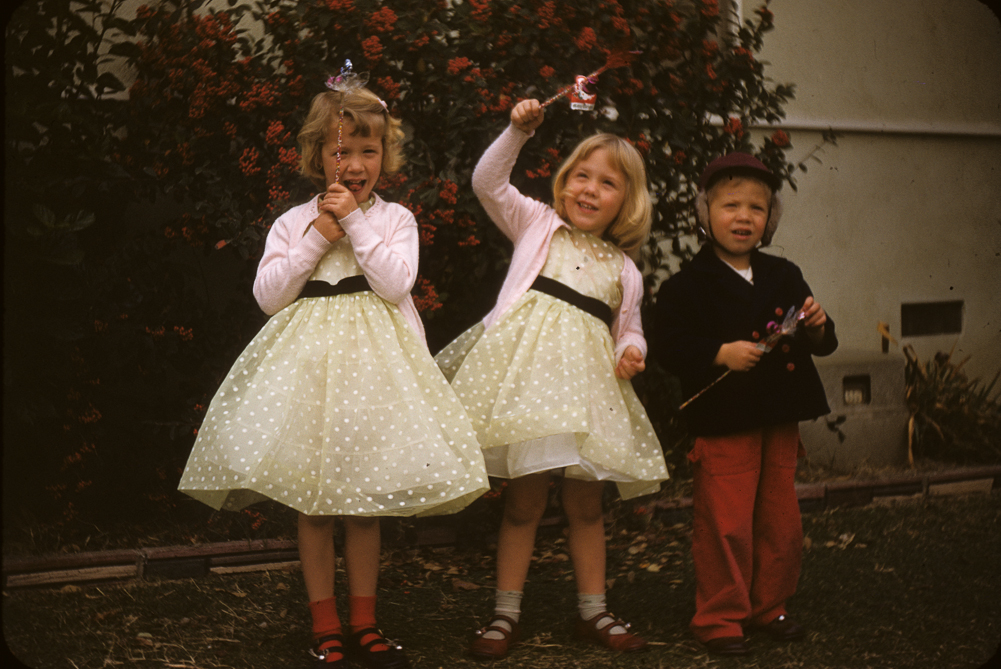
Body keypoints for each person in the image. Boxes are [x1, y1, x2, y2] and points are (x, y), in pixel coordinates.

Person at [178, 85, 489, 669]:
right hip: (309, 376)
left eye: (369, 151)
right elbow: (270, 296)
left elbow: (395, 284)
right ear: (318, 156)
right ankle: (325, 625)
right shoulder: (293, 222)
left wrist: (355, 223)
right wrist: (319, 234)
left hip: (374, 378)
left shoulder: (394, 219)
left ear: (384, 156)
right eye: (340, 151)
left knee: (362, 503)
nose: (354, 164)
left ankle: (365, 623)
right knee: (316, 504)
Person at [435, 99, 669, 660]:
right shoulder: (537, 224)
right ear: (564, 184)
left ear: (627, 202)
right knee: (524, 505)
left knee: (586, 507)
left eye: (607, 183)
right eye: (581, 176)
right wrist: (517, 132)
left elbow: (630, 330)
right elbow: (487, 182)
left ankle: (594, 610)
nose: (590, 189)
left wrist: (632, 352)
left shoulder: (625, 270)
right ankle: (504, 614)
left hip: (586, 400)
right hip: (527, 395)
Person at [652, 152, 838, 656]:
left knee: (780, 518)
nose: (743, 217)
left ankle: (769, 606)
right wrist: (719, 353)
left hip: (779, 414)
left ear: (769, 219)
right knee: (726, 521)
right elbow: (668, 346)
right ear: (704, 213)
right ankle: (719, 617)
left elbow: (821, 341)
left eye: (757, 208)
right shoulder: (686, 285)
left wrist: (818, 327)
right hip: (724, 420)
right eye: (730, 205)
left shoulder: (784, 273)